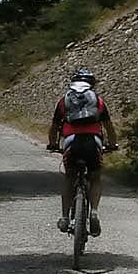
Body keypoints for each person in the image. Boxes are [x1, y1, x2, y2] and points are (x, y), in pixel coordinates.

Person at [46, 68, 116, 235]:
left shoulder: (64, 101)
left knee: (70, 177)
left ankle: (64, 217)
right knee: (95, 177)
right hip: (93, 141)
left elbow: (54, 127)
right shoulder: (98, 101)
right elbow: (109, 127)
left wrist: (53, 144)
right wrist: (113, 144)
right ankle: (94, 213)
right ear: (91, 85)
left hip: (71, 141)